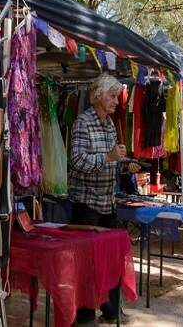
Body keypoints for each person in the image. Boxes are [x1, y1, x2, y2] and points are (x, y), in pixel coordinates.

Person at [69, 74, 140, 325]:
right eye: (112, 96)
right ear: (98, 95)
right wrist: (108, 158)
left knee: (112, 260)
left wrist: (125, 166)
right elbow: (77, 162)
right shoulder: (82, 122)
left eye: (116, 96)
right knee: (87, 265)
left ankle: (111, 310)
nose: (116, 102)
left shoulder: (109, 124)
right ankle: (85, 315)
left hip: (108, 203)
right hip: (87, 205)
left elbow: (111, 161)